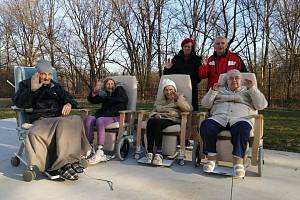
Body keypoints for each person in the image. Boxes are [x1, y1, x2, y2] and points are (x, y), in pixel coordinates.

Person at [12, 59, 91, 181]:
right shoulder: (26, 85)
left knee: (76, 119)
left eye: (49, 74)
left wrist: (69, 103)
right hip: (41, 120)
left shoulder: (55, 86)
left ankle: (72, 160)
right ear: (38, 73)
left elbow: (69, 98)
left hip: (58, 119)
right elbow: (19, 103)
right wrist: (32, 91)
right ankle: (62, 165)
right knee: (63, 122)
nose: (47, 77)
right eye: (44, 74)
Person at [199, 69, 268, 178]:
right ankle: (211, 159)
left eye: (237, 78)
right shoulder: (219, 90)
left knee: (242, 129)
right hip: (219, 116)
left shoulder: (248, 90)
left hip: (240, 118)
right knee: (206, 126)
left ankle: (238, 162)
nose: (234, 80)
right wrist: (212, 91)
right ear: (226, 81)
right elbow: (205, 104)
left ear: (241, 80)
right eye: (231, 78)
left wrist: (252, 89)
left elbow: (262, 105)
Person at [144, 79, 193, 165]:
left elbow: (188, 109)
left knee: (157, 122)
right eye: (166, 90)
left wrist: (178, 99)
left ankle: (159, 153)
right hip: (159, 117)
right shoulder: (160, 100)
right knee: (151, 122)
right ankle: (150, 152)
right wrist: (154, 114)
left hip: (172, 118)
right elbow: (153, 110)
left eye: (171, 89)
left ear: (174, 90)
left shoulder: (180, 97)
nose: (168, 92)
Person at [84, 78, 128, 165]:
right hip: (104, 114)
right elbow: (92, 100)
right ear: (105, 86)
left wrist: (106, 97)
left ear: (115, 85)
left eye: (112, 84)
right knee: (88, 119)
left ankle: (100, 151)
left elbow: (123, 100)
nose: (110, 86)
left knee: (100, 120)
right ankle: (90, 147)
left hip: (116, 115)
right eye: (108, 84)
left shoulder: (120, 90)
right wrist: (95, 91)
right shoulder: (104, 93)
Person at [164, 38, 202, 111]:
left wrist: (191, 81)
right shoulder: (176, 59)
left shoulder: (197, 60)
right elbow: (169, 76)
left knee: (191, 109)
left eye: (189, 47)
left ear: (192, 48)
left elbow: (199, 76)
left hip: (192, 88)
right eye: (185, 46)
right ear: (182, 47)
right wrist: (167, 69)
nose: (187, 48)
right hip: (178, 87)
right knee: (177, 108)